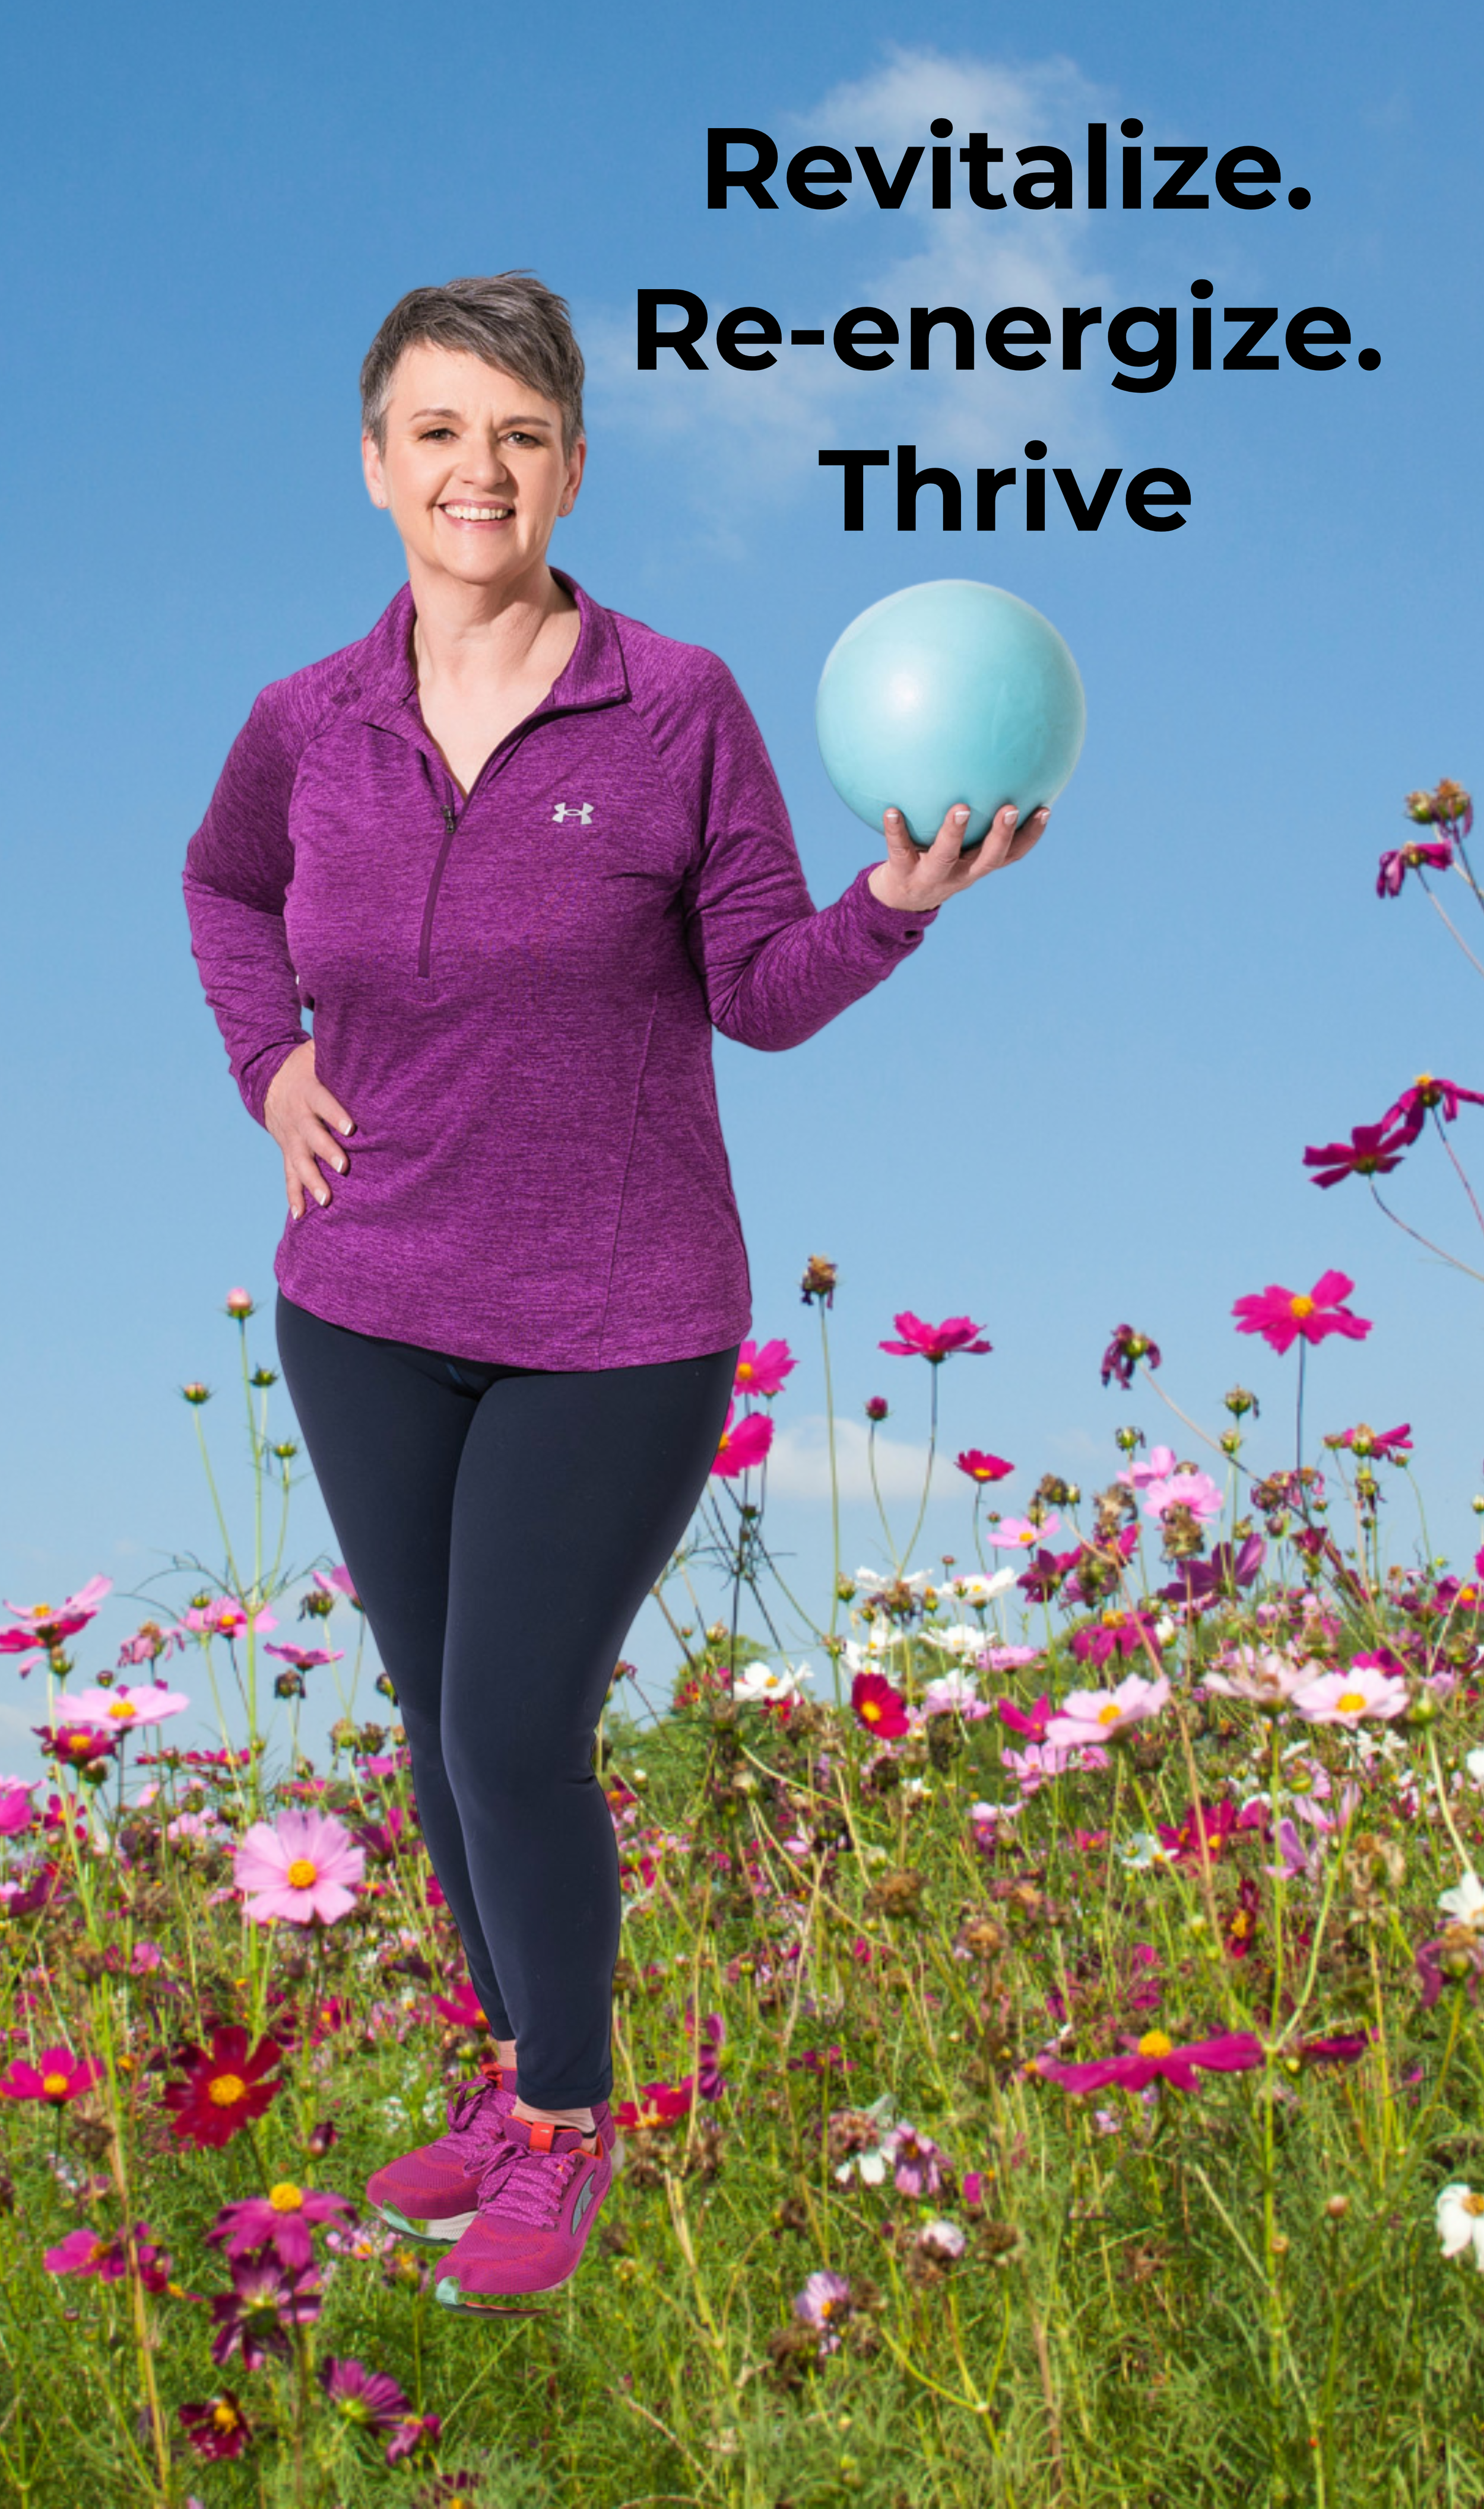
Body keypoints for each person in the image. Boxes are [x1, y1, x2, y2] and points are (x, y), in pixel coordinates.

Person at [182, 271, 1048, 2308]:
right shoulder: (304, 721)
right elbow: (222, 888)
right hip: (364, 1296)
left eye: (519, 435)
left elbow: (754, 995)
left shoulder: (677, 706)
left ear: (572, 464)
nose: (476, 471)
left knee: (511, 1731)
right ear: (376, 464)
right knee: (426, 1717)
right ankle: (508, 2083)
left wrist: (894, 908)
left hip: (618, 1316)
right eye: (436, 433)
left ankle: (562, 2123)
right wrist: (268, 1065)